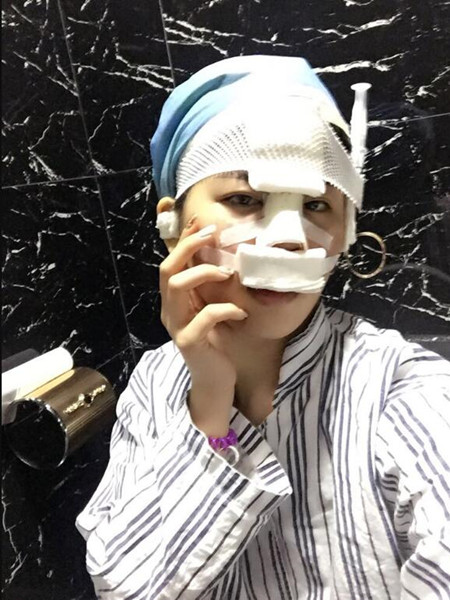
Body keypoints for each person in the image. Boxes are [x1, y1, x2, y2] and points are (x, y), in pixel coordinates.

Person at [76, 55, 450, 599]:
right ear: (172, 225)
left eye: (316, 204)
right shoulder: (155, 384)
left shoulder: (400, 389)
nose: (290, 239)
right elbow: (123, 588)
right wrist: (211, 411)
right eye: (244, 200)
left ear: (347, 231)